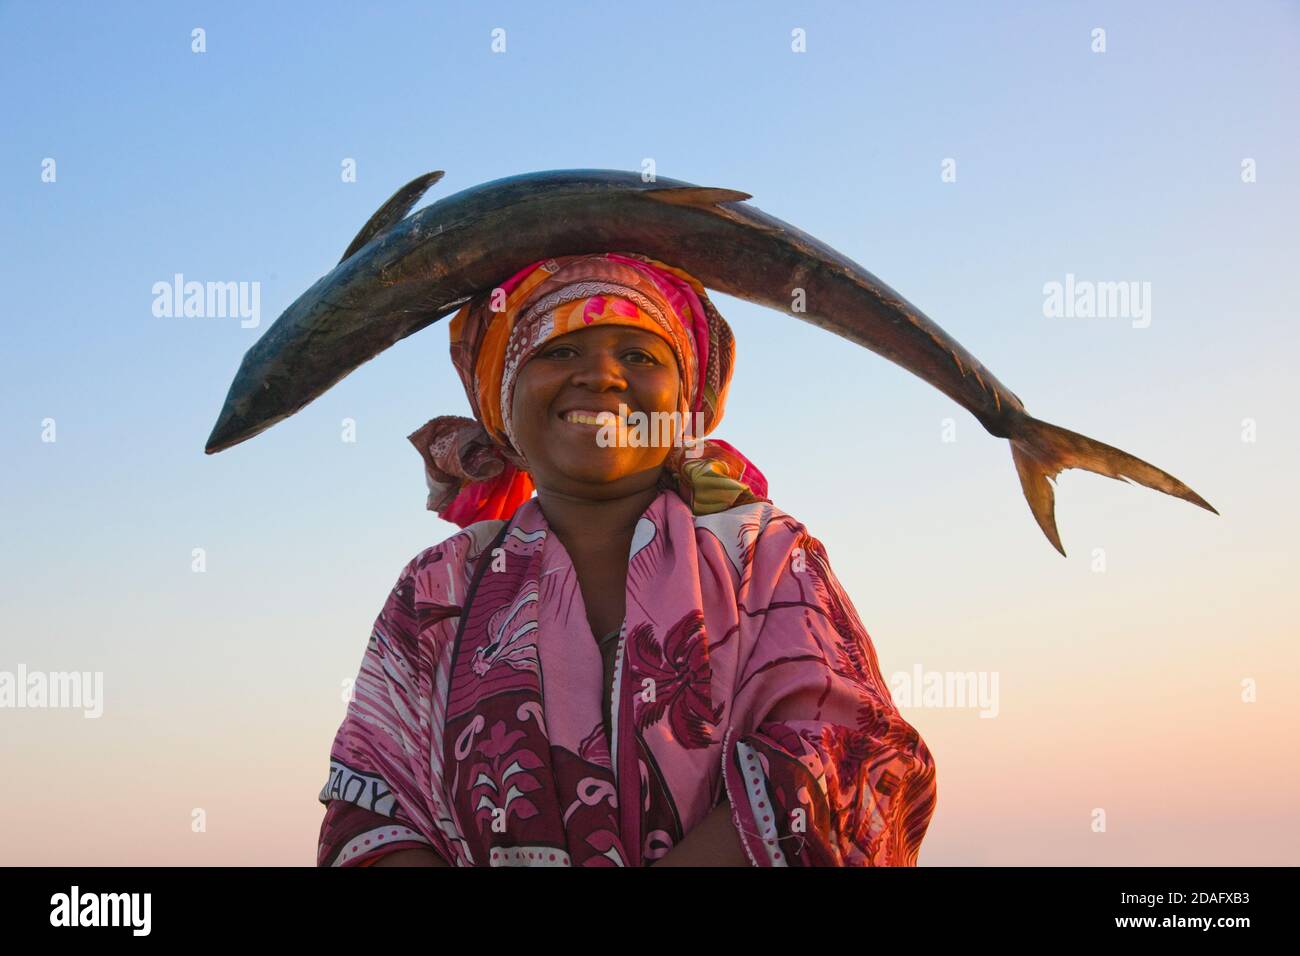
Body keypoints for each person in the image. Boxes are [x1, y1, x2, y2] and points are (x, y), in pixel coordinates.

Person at [316, 252, 937, 867]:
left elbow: (848, 756)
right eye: (558, 351)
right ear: (502, 398)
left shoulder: (764, 553)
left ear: (685, 398)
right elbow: (373, 806)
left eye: (639, 355)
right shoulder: (437, 584)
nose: (602, 375)